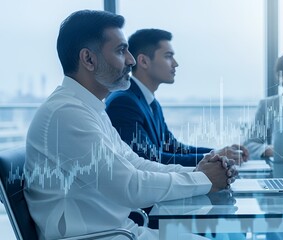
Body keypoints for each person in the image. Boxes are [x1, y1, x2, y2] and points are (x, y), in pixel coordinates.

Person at [24, 10, 236, 240]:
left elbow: (136, 164)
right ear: (88, 59)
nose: (131, 60)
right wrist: (203, 178)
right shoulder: (65, 114)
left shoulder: (89, 109)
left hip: (122, 232)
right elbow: (130, 187)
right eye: (120, 50)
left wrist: (198, 171)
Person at [105, 28, 249, 167]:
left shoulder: (151, 102)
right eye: (168, 56)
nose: (175, 63)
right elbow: (149, 159)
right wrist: (215, 157)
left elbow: (173, 147)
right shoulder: (123, 102)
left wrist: (219, 152)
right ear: (143, 61)